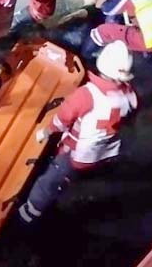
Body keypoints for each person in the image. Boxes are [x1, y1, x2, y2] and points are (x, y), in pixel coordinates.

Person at [17, 41, 138, 225]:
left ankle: (29, 212)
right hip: (108, 149)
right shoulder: (129, 94)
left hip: (80, 153)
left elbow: (63, 118)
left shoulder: (87, 95)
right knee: (89, 166)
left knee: (50, 180)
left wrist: (48, 131)